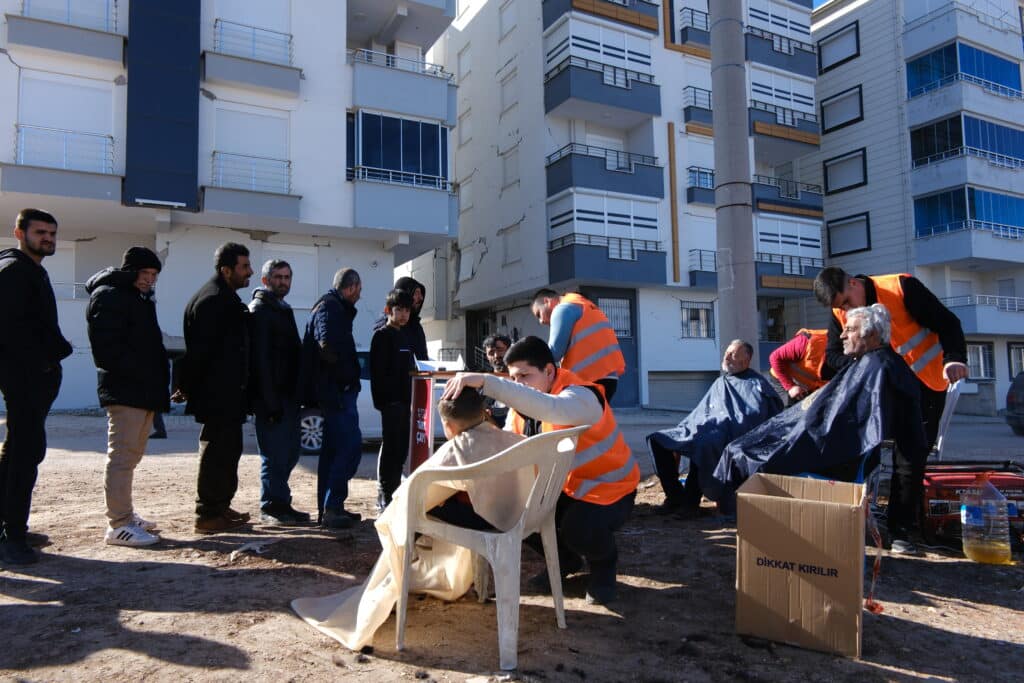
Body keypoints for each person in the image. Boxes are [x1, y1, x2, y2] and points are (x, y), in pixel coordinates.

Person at [291, 388, 529, 651]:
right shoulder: (511, 439)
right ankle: (423, 574)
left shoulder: (458, 449)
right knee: (441, 503)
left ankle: (395, 582)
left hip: (486, 522)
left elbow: (407, 495)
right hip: (523, 517)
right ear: (484, 414)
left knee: (412, 513)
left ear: (448, 426)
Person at [714, 305, 929, 554]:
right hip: (816, 436)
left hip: (829, 451)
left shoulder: (880, 369)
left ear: (871, 336)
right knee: (741, 448)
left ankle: (753, 523)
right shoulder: (868, 363)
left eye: (849, 330)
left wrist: (796, 430)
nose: (841, 335)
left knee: (748, 453)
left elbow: (850, 428)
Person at [441, 336, 639, 605]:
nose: (519, 384)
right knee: (509, 511)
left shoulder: (582, 395)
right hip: (562, 488)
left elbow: (552, 409)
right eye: (513, 378)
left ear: (549, 370)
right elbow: (510, 450)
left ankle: (604, 566)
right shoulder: (520, 409)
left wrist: (488, 382)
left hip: (608, 490)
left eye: (525, 375)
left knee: (578, 528)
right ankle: (564, 560)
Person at [813, 267, 968, 449]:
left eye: (847, 301)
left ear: (853, 283)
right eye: (840, 307)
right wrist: (863, 367)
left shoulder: (900, 287)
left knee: (914, 451)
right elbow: (832, 355)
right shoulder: (840, 313)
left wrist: (954, 358)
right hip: (885, 388)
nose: (847, 310)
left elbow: (948, 323)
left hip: (927, 383)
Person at [0, 209, 72, 564]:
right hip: (24, 378)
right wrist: (45, 360)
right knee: (24, 456)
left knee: (19, 452)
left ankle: (10, 528)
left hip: (29, 378)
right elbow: (12, 331)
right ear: (19, 232)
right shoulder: (14, 271)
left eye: (52, 232)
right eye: (41, 232)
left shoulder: (28, 270)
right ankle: (12, 537)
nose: (48, 238)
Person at [85, 247, 170, 547]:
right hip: (125, 391)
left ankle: (126, 515)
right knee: (121, 457)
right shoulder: (108, 296)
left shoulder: (138, 298)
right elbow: (107, 350)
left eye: (153, 275)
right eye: (145, 274)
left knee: (130, 457)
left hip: (142, 391)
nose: (149, 280)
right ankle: (118, 524)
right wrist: (142, 375)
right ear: (130, 271)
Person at [647, 340, 783, 517]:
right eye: (727, 352)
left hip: (729, 434)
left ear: (746, 360)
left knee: (704, 444)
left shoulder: (756, 385)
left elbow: (753, 418)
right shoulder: (721, 381)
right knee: (658, 440)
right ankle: (675, 497)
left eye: (733, 354)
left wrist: (723, 424)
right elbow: (703, 411)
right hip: (702, 428)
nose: (726, 357)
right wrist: (694, 425)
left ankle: (690, 504)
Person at [179, 242, 253, 534]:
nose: (250, 271)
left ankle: (220, 506)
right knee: (217, 453)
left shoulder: (224, 297)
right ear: (226, 270)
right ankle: (208, 514)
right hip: (218, 395)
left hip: (230, 394)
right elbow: (200, 353)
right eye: (244, 267)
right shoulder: (212, 300)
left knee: (228, 451)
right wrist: (187, 386)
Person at [249, 258, 309, 526]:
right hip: (270, 399)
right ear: (266, 280)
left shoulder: (283, 309)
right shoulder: (260, 310)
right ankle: (271, 507)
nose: (283, 282)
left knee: (289, 453)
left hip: (288, 397)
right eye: (278, 277)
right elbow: (260, 361)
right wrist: (269, 402)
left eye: (287, 277)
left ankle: (282, 503)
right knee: (273, 456)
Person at [302, 267, 363, 530]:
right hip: (337, 392)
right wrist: (343, 376)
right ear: (351, 288)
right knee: (348, 448)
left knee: (333, 451)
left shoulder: (330, 307)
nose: (359, 295)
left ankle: (329, 506)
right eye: (359, 290)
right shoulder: (330, 308)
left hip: (333, 390)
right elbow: (325, 345)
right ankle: (332, 507)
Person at [531, 289, 625, 401]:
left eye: (538, 314)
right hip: (609, 378)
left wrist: (528, 358)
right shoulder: (585, 305)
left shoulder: (562, 309)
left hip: (587, 380)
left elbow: (554, 353)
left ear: (547, 301)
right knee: (598, 418)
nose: (541, 321)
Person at [370, 288, 415, 510]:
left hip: (406, 403)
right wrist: (385, 402)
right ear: (389, 310)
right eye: (399, 310)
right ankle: (385, 496)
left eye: (407, 310)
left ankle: (395, 494)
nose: (404, 314)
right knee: (391, 450)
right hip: (391, 404)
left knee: (400, 451)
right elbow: (377, 373)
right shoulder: (382, 335)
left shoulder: (405, 335)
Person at [373, 276, 428, 361]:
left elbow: (423, 360)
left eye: (407, 310)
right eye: (416, 293)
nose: (421, 298)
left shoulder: (416, 327)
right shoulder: (384, 331)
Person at [769, 328, 828, 405]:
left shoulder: (844, 358)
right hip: (782, 379)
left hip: (807, 387)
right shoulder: (807, 343)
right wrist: (790, 386)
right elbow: (775, 357)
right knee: (789, 410)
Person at [481, 333, 512, 427]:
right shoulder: (481, 384)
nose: (496, 355)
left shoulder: (522, 380)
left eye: (500, 350)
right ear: (486, 356)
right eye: (491, 353)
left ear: (509, 351)